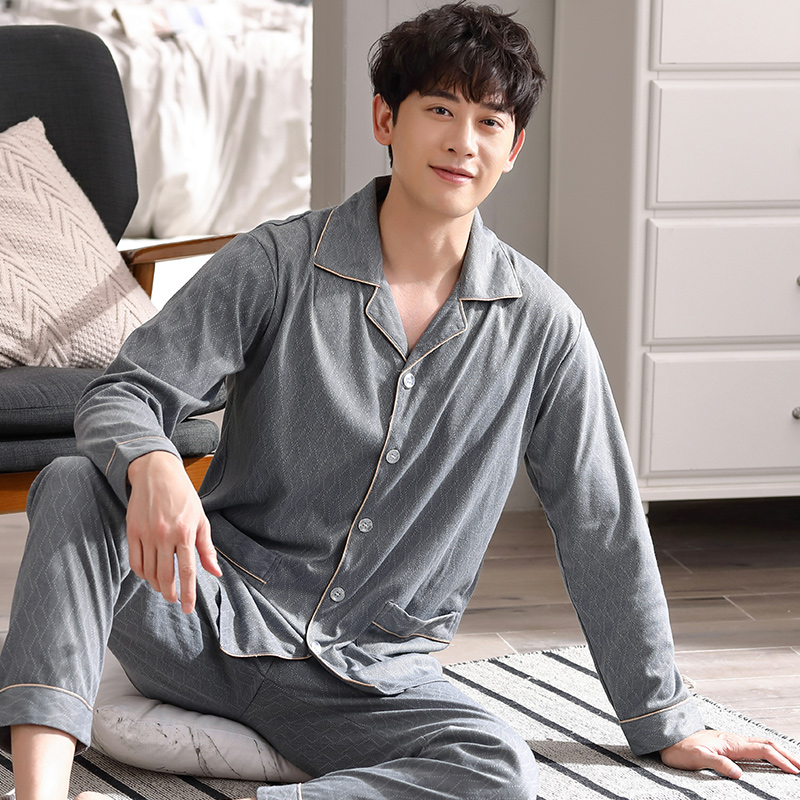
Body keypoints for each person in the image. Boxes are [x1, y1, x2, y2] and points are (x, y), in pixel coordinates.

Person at [1, 3, 798, 799]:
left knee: (497, 770)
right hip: (201, 620)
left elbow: (602, 522)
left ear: (514, 149)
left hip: (367, 679)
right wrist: (154, 465)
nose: (463, 141)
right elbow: (123, 392)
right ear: (387, 118)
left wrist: (663, 716)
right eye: (440, 110)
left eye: (490, 122)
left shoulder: (544, 328)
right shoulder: (278, 262)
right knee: (74, 483)